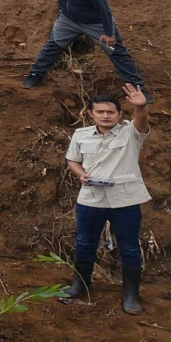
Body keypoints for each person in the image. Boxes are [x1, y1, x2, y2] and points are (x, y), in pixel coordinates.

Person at [0, 0, 150, 100]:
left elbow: (105, 11)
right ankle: (36, 75)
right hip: (68, 20)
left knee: (117, 53)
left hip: (95, 23)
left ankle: (139, 90)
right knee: (52, 46)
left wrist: (109, 33)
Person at [61, 86, 151, 315]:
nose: (105, 115)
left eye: (111, 112)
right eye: (100, 111)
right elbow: (72, 160)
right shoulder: (80, 135)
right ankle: (80, 284)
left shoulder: (130, 132)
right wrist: (80, 174)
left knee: (129, 247)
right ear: (91, 113)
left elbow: (141, 121)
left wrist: (141, 106)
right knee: (84, 243)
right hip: (91, 199)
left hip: (125, 200)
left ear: (120, 114)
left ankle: (131, 294)